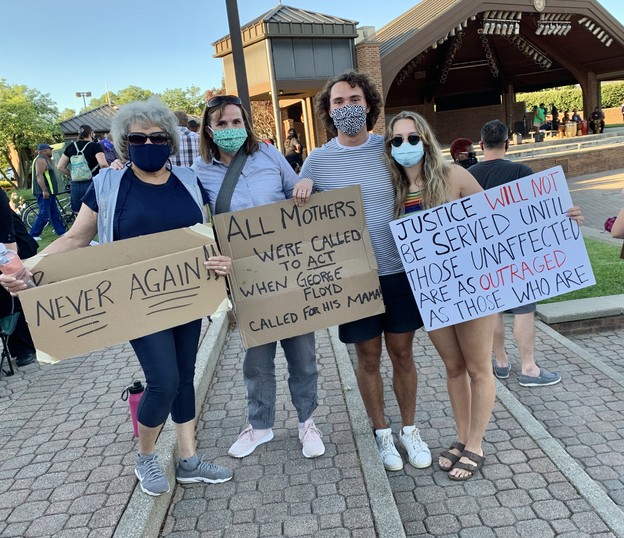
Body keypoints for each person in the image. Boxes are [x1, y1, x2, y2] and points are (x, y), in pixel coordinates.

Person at [5, 97, 234, 496]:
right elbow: (75, 238)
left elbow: (208, 234)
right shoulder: (108, 185)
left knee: (184, 376)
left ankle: (188, 459)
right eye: (138, 139)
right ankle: (146, 457)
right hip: (137, 304)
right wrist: (28, 267)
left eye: (157, 137)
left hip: (187, 297)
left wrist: (221, 259)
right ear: (124, 144)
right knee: (163, 380)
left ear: (170, 140)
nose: (148, 144)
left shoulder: (188, 182)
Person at [300, 71, 431, 472]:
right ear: (328, 111)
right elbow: (299, 223)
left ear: (369, 104)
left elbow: (433, 185)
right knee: (368, 356)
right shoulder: (316, 161)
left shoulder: (390, 150)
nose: (347, 107)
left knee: (403, 353)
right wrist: (301, 188)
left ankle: (410, 429)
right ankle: (382, 432)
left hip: (398, 271)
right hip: (353, 278)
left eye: (354, 99)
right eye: (338, 102)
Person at [192, 94, 325, 460]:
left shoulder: (268, 155)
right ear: (209, 130)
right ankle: (261, 425)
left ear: (246, 124)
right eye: (222, 123)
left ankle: (307, 422)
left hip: (290, 272)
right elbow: (195, 225)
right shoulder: (199, 171)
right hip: (245, 279)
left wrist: (305, 183)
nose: (230, 128)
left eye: (236, 122)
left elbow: (295, 191)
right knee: (257, 359)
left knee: (302, 354)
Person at [383, 110, 494, 480]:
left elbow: (498, 221)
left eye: (413, 138)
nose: (406, 145)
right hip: (430, 293)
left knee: (478, 368)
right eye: (397, 140)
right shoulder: (394, 190)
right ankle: (462, 438)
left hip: (472, 287)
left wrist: (561, 216)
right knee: (453, 367)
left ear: (426, 140)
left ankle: (476, 444)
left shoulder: (454, 176)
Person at [467, 120, 584, 388]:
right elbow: (542, 212)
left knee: (493, 310)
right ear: (507, 144)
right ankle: (529, 368)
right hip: (519, 255)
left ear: (481, 144)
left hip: (484, 256)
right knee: (524, 310)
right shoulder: (521, 171)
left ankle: (501, 363)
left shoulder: (468, 175)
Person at [0, 188, 39, 367]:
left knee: (14, 289)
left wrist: (8, 266)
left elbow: (8, 239)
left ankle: (25, 347)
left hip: (11, 243)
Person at [57, 125, 109, 213]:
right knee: (95, 212)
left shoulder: (70, 147)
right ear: (91, 134)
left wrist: (73, 175)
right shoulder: (95, 146)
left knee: (79, 213)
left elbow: (60, 166)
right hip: (92, 183)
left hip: (75, 185)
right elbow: (103, 164)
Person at [30, 143, 66, 241]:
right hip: (43, 192)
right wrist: (44, 190)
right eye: (50, 149)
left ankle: (61, 231)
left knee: (54, 212)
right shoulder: (40, 160)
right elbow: (39, 176)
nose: (51, 151)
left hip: (50, 192)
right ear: (45, 150)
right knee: (44, 213)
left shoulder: (44, 159)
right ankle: (33, 234)